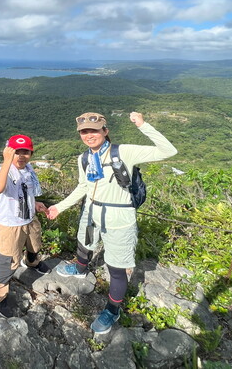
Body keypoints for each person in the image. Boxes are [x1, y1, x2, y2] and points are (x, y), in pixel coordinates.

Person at [47, 111, 177, 334]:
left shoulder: (123, 152)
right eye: (84, 132)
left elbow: (169, 151)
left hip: (119, 219)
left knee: (116, 269)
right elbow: (83, 186)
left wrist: (143, 125)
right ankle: (80, 268)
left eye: (94, 131)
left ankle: (112, 309)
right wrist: (60, 206)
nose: (89, 135)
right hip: (92, 213)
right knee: (85, 243)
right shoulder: (84, 158)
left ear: (105, 132)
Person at [0, 134, 50, 318]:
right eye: (17, 152)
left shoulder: (28, 170)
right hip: (11, 226)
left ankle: (31, 262)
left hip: (29, 218)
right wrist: (7, 162)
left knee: (34, 244)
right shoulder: (5, 171)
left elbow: (27, 192)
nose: (21, 156)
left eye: (26, 152)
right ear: (9, 152)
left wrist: (36, 203)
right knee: (6, 261)